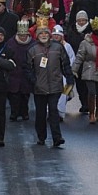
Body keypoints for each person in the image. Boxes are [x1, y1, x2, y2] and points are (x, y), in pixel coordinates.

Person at [26, 18, 74, 147]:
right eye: (41, 33)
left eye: (46, 33)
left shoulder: (58, 48)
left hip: (55, 85)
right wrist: (33, 81)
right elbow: (28, 68)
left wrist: (69, 79)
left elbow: (65, 64)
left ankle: (57, 137)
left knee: (54, 112)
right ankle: (41, 137)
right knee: (40, 114)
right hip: (39, 87)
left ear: (49, 35)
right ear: (38, 35)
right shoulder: (32, 50)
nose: (43, 36)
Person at [6, 20, 35, 122]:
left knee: (25, 95)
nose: (23, 37)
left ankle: (24, 112)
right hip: (14, 72)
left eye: (24, 35)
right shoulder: (11, 42)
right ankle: (14, 112)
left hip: (26, 73)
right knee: (14, 95)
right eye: (21, 35)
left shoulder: (32, 44)